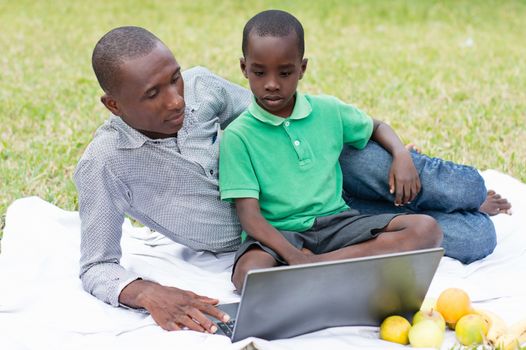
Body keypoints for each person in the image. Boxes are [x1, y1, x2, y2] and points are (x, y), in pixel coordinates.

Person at [75, 25, 509, 333]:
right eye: (153, 94)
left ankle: (453, 193)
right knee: (475, 240)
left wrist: (394, 153)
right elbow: (96, 265)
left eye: (174, 79)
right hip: (279, 233)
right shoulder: (105, 165)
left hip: (316, 176)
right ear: (113, 105)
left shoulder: (202, 87)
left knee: (458, 189)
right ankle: (424, 215)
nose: (176, 100)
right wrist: (146, 291)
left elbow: (273, 116)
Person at [219, 10, 446, 291]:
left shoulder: (328, 110)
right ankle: (336, 268)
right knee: (249, 274)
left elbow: (376, 126)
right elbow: (250, 217)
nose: (272, 83)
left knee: (426, 230)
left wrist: (401, 155)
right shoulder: (238, 136)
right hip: (280, 234)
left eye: (286, 72)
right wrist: (292, 256)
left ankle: (322, 265)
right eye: (259, 72)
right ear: (243, 68)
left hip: (337, 223)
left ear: (302, 68)